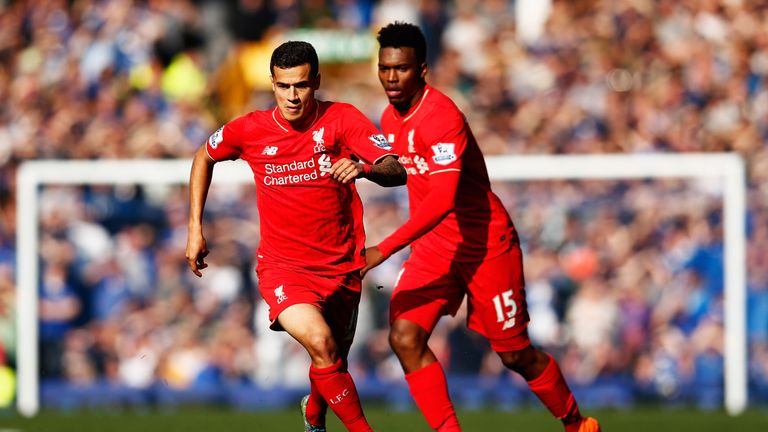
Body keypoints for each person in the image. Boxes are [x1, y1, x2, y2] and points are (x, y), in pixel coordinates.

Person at [361, 22, 601, 432]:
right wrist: (366, 169)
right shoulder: (389, 116)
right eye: (385, 68)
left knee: (513, 355)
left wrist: (382, 250)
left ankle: (577, 423)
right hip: (436, 249)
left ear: (422, 70)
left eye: (400, 68)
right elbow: (408, 169)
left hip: (486, 244)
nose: (390, 77)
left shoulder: (442, 116)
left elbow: (442, 198)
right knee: (404, 337)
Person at [185, 40, 406, 432]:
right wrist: (194, 229)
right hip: (284, 268)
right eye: (284, 86)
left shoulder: (342, 119)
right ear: (272, 83)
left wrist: (364, 168)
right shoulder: (250, 129)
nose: (292, 96)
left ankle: (314, 414)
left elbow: (395, 169)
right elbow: (204, 155)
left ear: (316, 82)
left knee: (332, 357)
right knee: (321, 343)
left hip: (341, 266)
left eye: (301, 85)